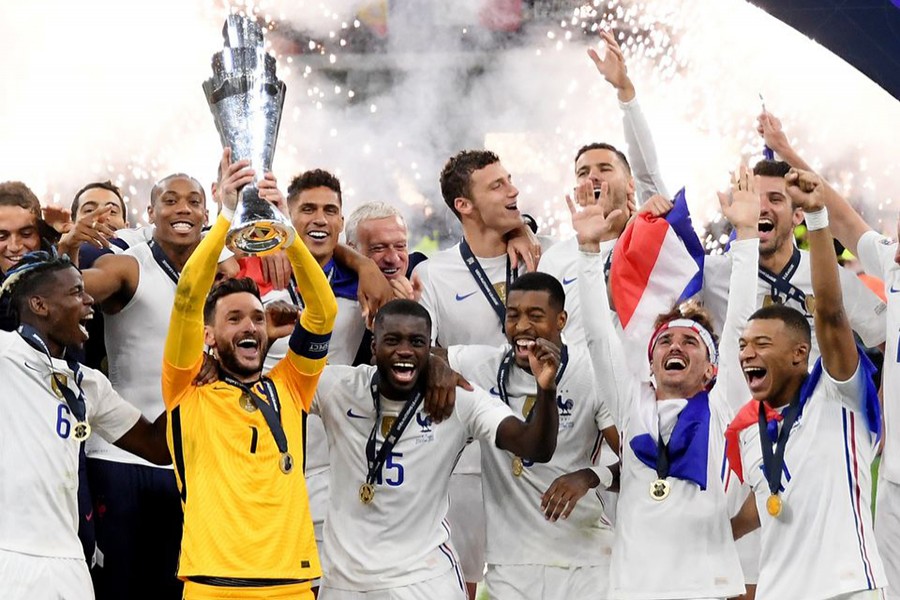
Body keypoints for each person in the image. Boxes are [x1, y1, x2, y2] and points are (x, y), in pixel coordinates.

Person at [577, 166, 761, 599]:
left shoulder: (721, 405)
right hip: (635, 587)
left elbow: (738, 326)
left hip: (708, 588)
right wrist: (587, 252)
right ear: (651, 360)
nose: (675, 347)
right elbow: (597, 336)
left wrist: (748, 236)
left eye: (690, 342)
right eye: (665, 342)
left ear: (712, 369)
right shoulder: (630, 401)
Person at [309, 298, 560, 599]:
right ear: (373, 348)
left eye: (417, 342)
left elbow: (534, 447)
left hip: (424, 581)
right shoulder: (337, 387)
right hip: (343, 583)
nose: (405, 350)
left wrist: (546, 390)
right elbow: (271, 386)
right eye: (392, 340)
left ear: (429, 348)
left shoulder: (459, 399)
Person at [161, 169, 336, 599]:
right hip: (213, 585)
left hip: (291, 586)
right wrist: (223, 216)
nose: (250, 327)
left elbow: (323, 312)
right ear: (208, 336)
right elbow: (187, 299)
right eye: (234, 318)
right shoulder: (186, 388)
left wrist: (287, 233)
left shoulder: (291, 385)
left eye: (257, 318)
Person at [726, 169, 886, 600]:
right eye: (744, 345)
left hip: (848, 589)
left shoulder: (838, 395)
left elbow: (832, 315)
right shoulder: (747, 429)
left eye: (762, 343)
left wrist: (817, 218)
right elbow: (763, 506)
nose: (747, 354)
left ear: (801, 352)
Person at [56, 171, 212, 599]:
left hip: (195, 466)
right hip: (122, 458)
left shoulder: (220, 272)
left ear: (206, 214)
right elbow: (71, 294)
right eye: (171, 201)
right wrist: (67, 250)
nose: (183, 209)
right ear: (150, 214)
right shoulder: (128, 266)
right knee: (120, 589)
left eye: (193, 201)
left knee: (181, 590)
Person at [0, 251, 169, 600]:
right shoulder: (4, 355)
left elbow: (157, 446)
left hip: (70, 563)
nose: (90, 300)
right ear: (40, 305)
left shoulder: (89, 384)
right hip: (10, 555)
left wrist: (193, 379)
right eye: (76, 292)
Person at [445, 272, 620, 599]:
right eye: (513, 315)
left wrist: (589, 476)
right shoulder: (480, 365)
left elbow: (637, 467)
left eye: (535, 316)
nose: (522, 326)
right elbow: (415, 354)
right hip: (510, 565)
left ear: (561, 319)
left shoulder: (592, 371)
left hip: (587, 561)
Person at [413, 148, 541, 594]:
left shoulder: (538, 258)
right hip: (468, 457)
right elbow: (421, 353)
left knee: (535, 579)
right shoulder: (434, 274)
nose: (514, 190)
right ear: (463, 205)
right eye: (498, 186)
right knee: (462, 584)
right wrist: (449, 358)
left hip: (541, 446)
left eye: (510, 180)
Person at [538, 29, 668, 346]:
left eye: (605, 169)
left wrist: (625, 91)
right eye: (583, 172)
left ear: (630, 185)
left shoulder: (653, 236)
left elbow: (647, 168)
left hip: (642, 388)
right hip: (577, 390)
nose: (593, 176)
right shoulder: (556, 257)